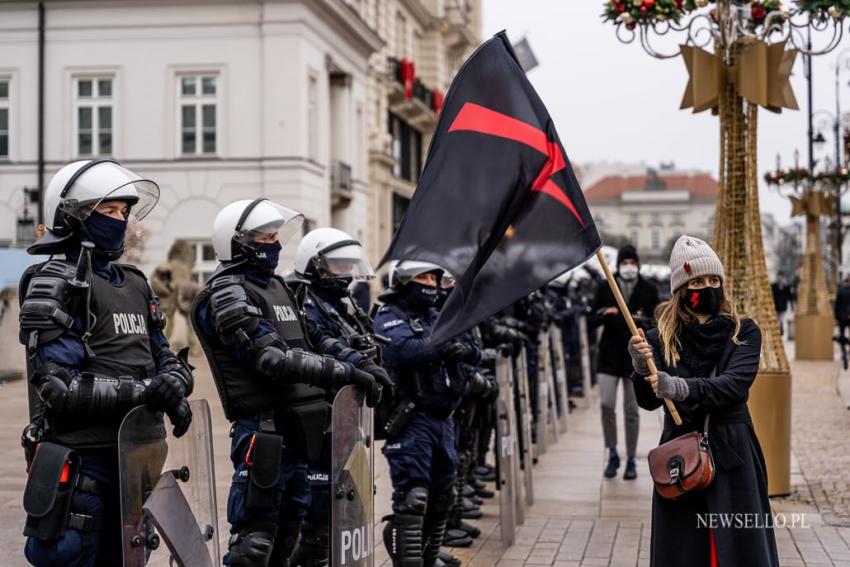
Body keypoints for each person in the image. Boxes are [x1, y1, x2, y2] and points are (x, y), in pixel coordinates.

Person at [18, 159, 193, 567]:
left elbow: (161, 351)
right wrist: (148, 391)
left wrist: (174, 382)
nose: (120, 220)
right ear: (73, 216)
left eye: (123, 211)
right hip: (84, 463)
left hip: (136, 460)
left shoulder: (133, 282)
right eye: (108, 211)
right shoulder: (54, 281)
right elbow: (60, 387)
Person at [191, 199, 379, 567]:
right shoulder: (228, 292)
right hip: (264, 432)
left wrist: (359, 362)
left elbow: (313, 338)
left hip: (300, 429)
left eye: (276, 236)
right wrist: (342, 372)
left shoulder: (277, 287)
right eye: (265, 237)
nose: (274, 244)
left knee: (290, 534)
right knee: (254, 542)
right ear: (239, 241)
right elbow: (271, 358)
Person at [628, 235, 778, 567]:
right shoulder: (659, 337)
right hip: (680, 458)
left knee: (739, 551)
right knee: (682, 550)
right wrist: (641, 367)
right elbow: (648, 401)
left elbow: (732, 387)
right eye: (697, 281)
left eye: (713, 280)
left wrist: (680, 387)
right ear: (682, 287)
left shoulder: (743, 331)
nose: (707, 287)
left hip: (732, 453)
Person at [290, 227, 393, 566]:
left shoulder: (339, 307)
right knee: (318, 521)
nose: (346, 274)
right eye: (338, 266)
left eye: (350, 266)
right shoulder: (305, 307)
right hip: (319, 425)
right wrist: (357, 362)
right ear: (315, 265)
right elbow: (320, 343)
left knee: (347, 514)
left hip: (347, 426)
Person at [373, 261, 474, 567]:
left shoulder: (437, 315)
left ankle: (428, 558)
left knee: (444, 496)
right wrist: (445, 347)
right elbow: (402, 350)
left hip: (443, 419)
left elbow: (470, 345)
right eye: (423, 277)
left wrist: (463, 351)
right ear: (404, 281)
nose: (430, 283)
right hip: (411, 418)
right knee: (413, 497)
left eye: (434, 277)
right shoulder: (389, 315)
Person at [591, 244, 659, 480]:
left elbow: (656, 323)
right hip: (608, 355)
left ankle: (630, 458)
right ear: (618, 265)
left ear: (637, 264)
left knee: (632, 410)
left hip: (635, 359)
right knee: (606, 404)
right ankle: (612, 452)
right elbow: (591, 317)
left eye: (632, 262)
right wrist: (603, 314)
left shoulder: (648, 288)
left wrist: (644, 321)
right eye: (624, 263)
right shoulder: (605, 285)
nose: (628, 267)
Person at [770, 271, 791, 336]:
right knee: (777, 319)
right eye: (778, 276)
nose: (780, 278)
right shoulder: (773, 286)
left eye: (781, 276)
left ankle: (781, 330)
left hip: (783, 306)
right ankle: (778, 330)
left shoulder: (786, 286)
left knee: (781, 319)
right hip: (776, 306)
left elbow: (789, 296)